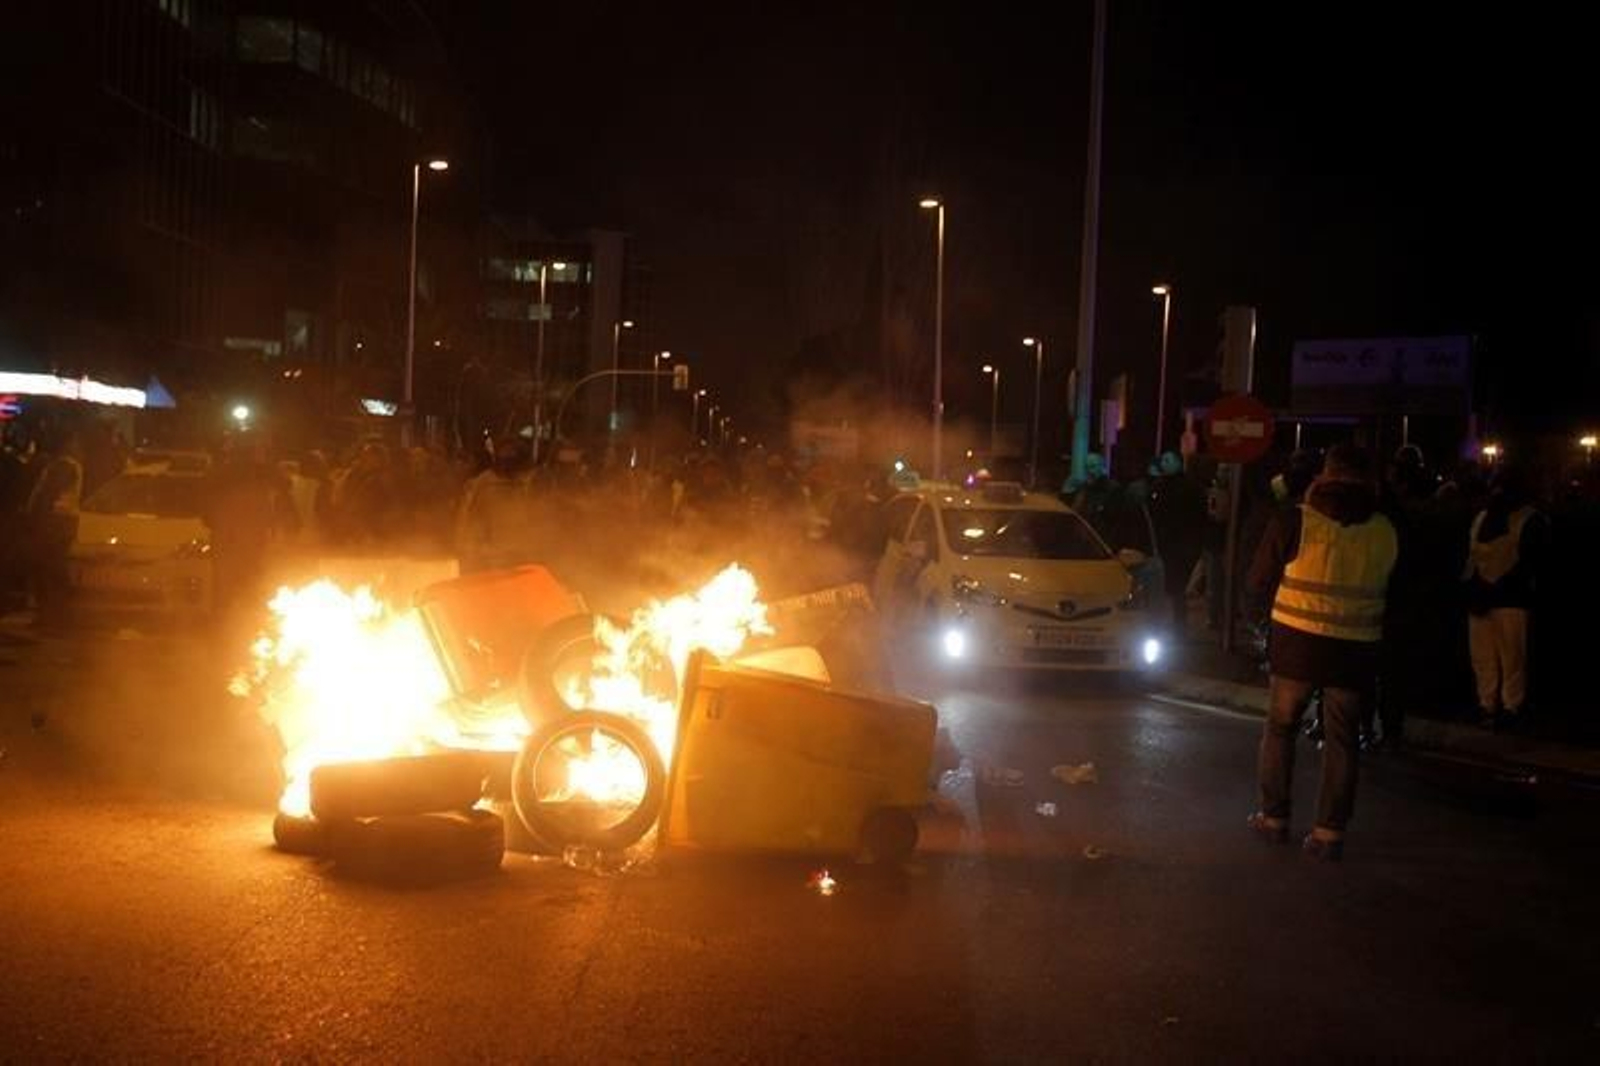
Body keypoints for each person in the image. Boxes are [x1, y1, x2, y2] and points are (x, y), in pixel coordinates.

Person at [1246, 444, 1398, 862]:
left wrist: (1260, 628)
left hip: (1296, 645)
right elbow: (1400, 595)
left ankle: (1273, 819)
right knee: (1342, 740)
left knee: (1280, 729)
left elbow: (1258, 581)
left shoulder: (1295, 519)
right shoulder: (1385, 529)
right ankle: (1330, 832)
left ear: (1324, 476)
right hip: (1355, 651)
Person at [1462, 465, 1546, 731]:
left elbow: (1529, 563)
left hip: (1508, 598)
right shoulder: (1491, 517)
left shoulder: (1526, 519)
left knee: (1509, 658)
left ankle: (1507, 706)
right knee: (1490, 657)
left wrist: (1480, 587)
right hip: (1494, 597)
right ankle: (1493, 704)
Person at [1145, 451, 1206, 634]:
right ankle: (1164, 624)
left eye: (1169, 460)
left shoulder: (1189, 487)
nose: (1165, 464)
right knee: (1163, 586)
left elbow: (1197, 516)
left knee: (1176, 587)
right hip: (1163, 543)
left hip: (1181, 545)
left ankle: (1178, 624)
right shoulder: (1158, 486)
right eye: (1163, 460)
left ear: (1179, 463)